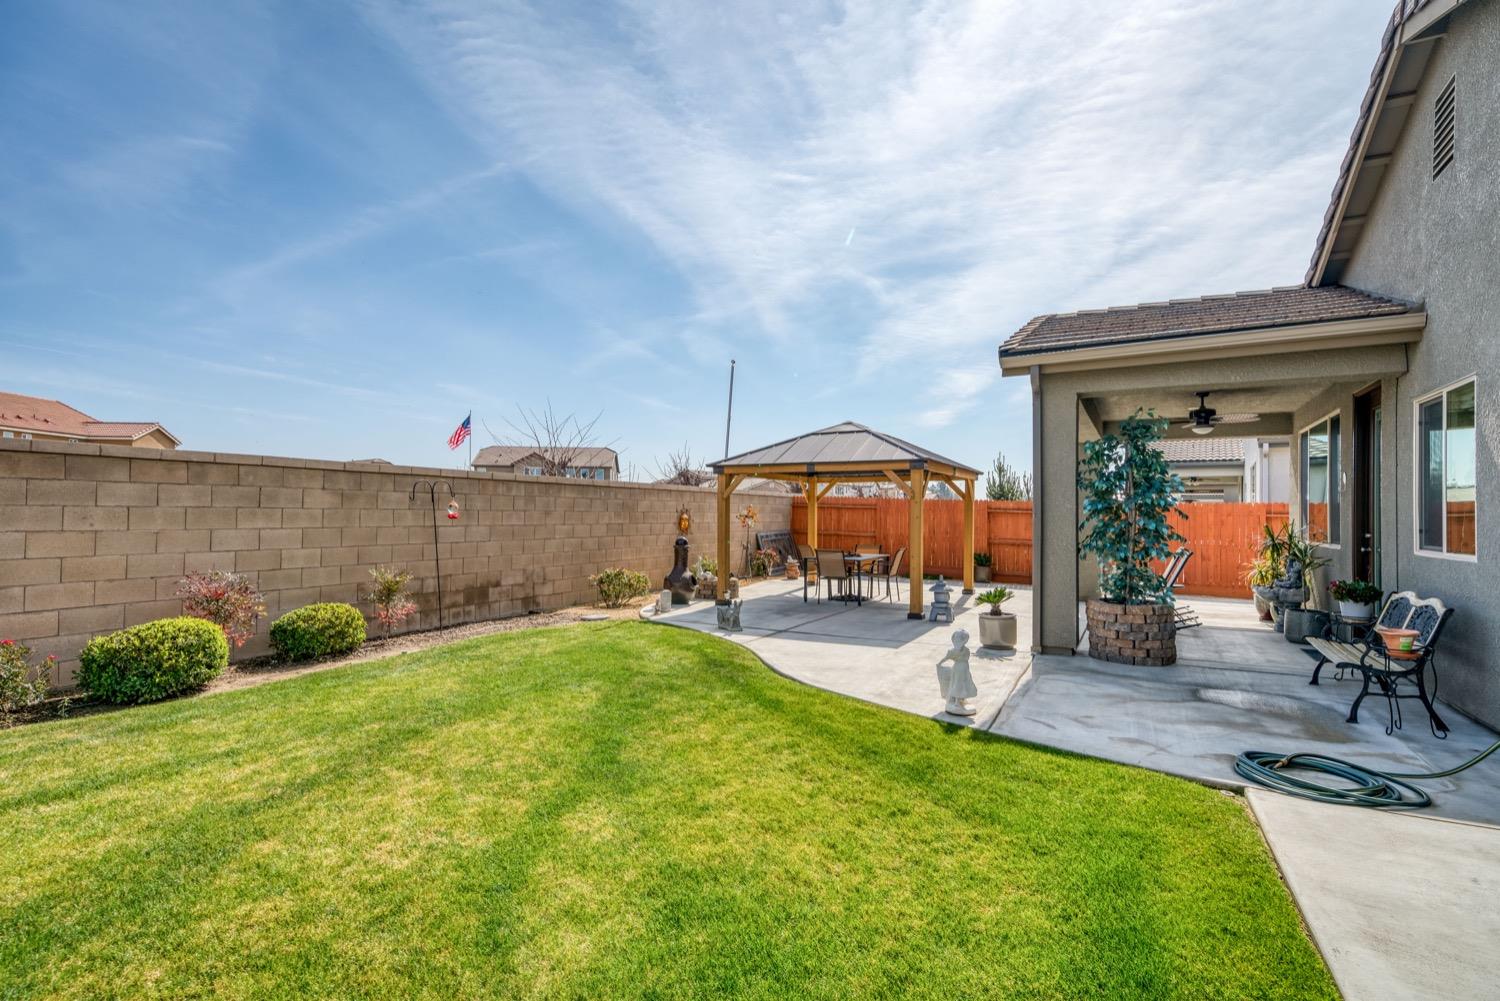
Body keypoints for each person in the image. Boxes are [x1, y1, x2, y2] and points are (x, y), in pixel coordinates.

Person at [935, 628, 978, 716]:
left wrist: (940, 663)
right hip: (959, 669)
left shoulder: (963, 650)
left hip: (964, 668)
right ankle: (956, 701)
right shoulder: (958, 651)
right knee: (958, 684)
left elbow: (946, 658)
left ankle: (961, 698)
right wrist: (939, 663)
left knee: (964, 683)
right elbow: (946, 658)